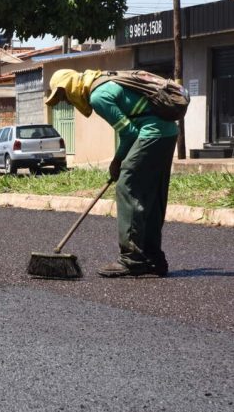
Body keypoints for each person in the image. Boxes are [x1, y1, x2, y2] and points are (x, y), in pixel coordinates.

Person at [46, 69, 178, 277]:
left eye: (64, 96)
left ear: (70, 87)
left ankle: (132, 259)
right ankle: (154, 259)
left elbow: (129, 133)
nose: (68, 102)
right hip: (167, 133)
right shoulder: (104, 81)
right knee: (152, 194)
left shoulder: (98, 96)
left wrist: (117, 162)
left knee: (128, 187)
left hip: (150, 134)